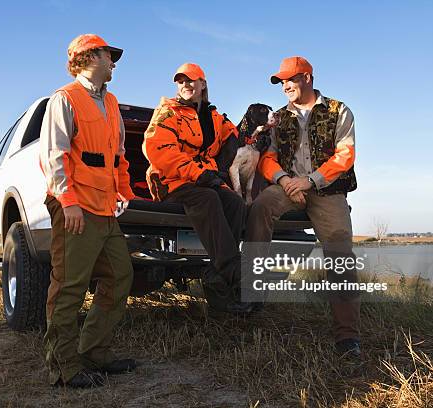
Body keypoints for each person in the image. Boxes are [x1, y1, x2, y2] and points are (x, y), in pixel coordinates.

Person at [245, 56, 361, 356]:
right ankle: (252, 293)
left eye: (290, 79)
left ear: (307, 78)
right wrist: (284, 181)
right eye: (281, 82)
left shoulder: (338, 110)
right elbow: (266, 158)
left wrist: (310, 181)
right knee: (260, 207)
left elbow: (345, 155)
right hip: (287, 186)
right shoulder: (278, 117)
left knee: (339, 247)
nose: (285, 86)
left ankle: (347, 336)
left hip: (327, 188)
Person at [39, 34, 137, 388]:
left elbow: (118, 156)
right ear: (89, 57)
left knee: (120, 274)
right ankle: (64, 367)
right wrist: (68, 203)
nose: (114, 63)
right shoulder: (64, 99)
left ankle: (95, 350)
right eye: (110, 56)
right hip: (76, 208)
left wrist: (124, 190)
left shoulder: (110, 103)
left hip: (105, 209)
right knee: (69, 286)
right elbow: (55, 156)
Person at [143, 63, 251, 313]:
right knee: (207, 199)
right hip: (172, 183)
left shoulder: (214, 116)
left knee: (234, 203)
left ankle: (216, 280)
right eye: (181, 81)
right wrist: (200, 174)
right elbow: (159, 150)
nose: (186, 85)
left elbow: (234, 134)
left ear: (203, 84)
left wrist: (223, 165)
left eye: (191, 80)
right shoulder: (168, 112)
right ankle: (233, 268)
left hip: (206, 180)